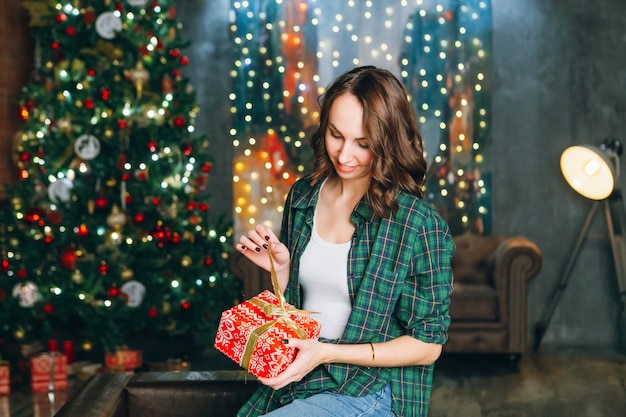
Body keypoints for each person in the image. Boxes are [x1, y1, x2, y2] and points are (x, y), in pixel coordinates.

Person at [234, 65, 455, 417]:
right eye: (336, 135)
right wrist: (282, 271)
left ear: (387, 142)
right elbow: (300, 310)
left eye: (363, 144)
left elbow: (428, 346)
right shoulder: (303, 196)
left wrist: (325, 352)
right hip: (302, 379)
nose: (344, 155)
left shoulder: (417, 224)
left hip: (372, 390)